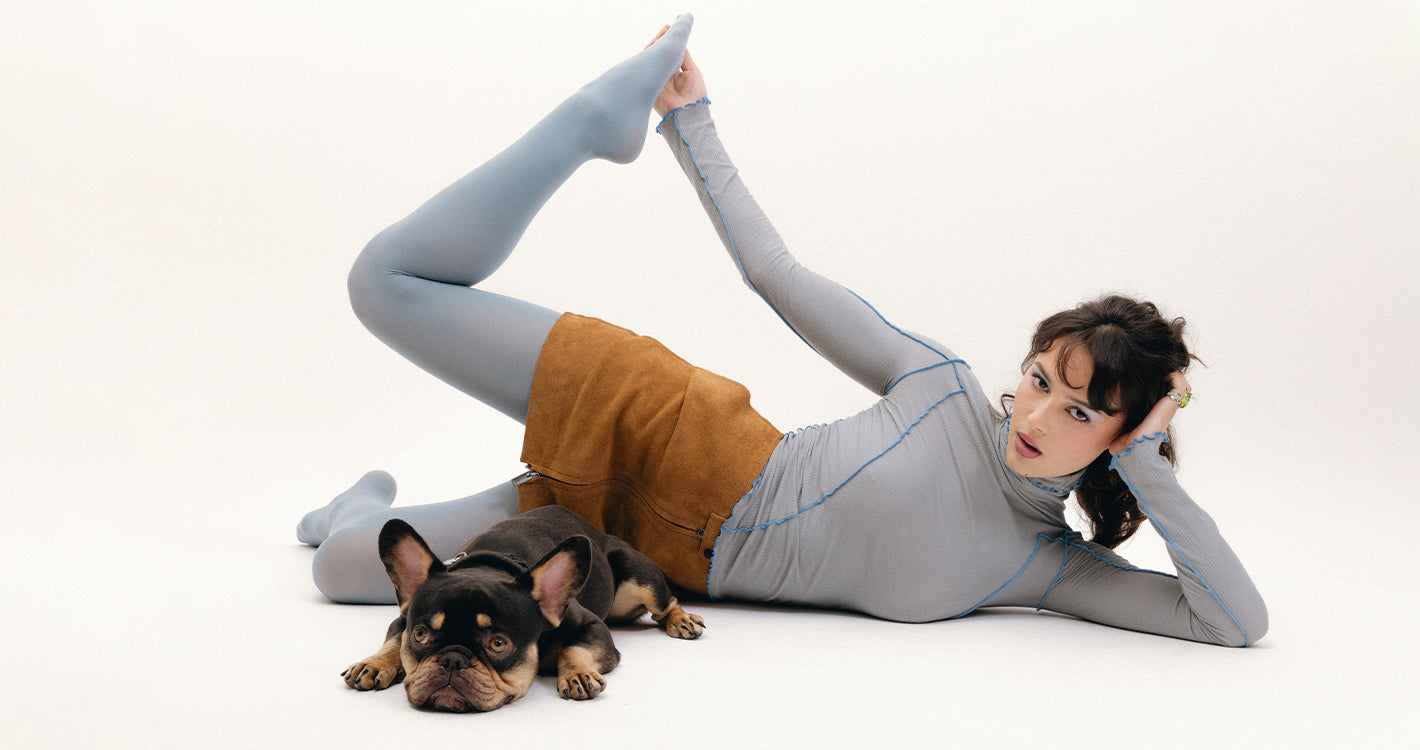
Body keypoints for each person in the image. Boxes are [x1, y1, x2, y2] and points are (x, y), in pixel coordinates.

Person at [298, 15, 1267, 647]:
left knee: (349, 567)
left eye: (1084, 411)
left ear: (1114, 439)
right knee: (385, 284)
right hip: (667, 429)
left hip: (617, 545)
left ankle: (361, 494)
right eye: (1041, 378)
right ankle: (591, 127)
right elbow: (776, 275)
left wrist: (1149, 461)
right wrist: (692, 124)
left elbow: (1231, 621)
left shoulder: (1043, 568)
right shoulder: (936, 384)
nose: (1039, 412)